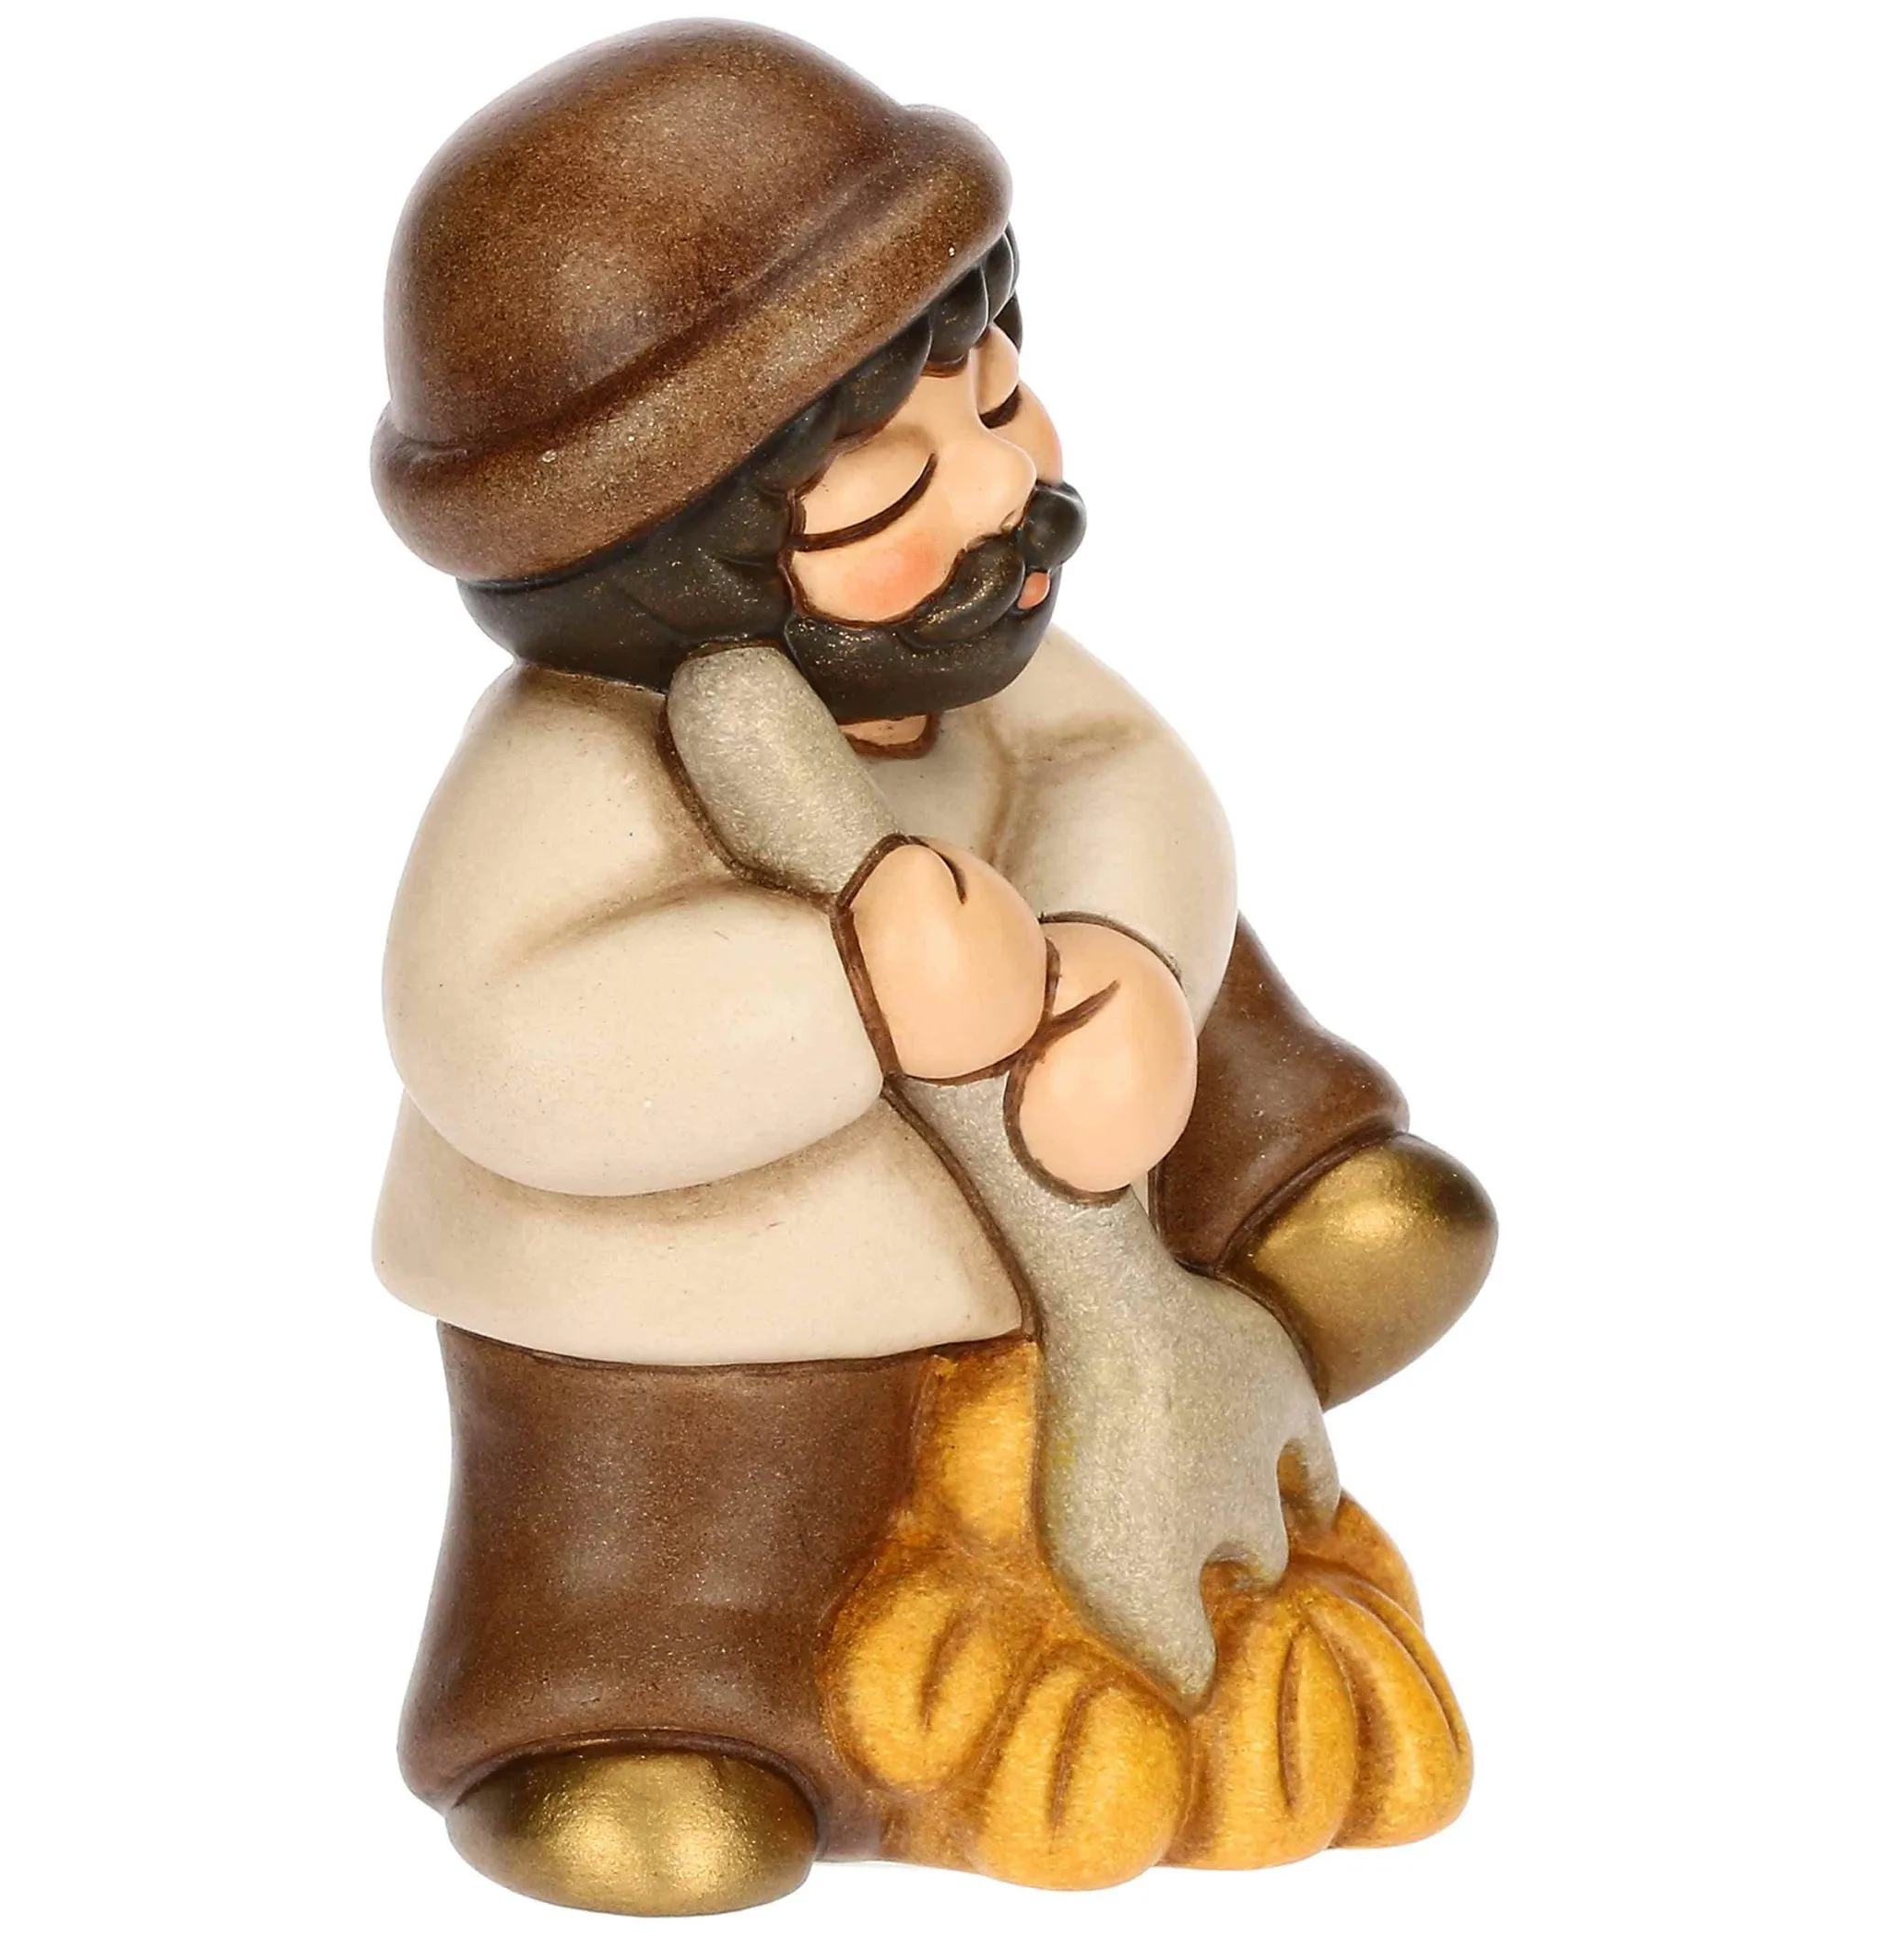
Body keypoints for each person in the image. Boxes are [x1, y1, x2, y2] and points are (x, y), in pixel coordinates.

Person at [373, 20, 1496, 1914]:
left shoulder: (988, 674)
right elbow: (500, 1036)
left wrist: (1124, 964)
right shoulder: (568, 775)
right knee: (685, 1505)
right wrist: (843, 993)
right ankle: (637, 1714)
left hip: (1075, 1158)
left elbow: (1125, 773)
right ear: (679, 563)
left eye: (1001, 401)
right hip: (730, 1316)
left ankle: (1292, 1228)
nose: (1004, 494)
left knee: (1197, 961)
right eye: (894, 487)